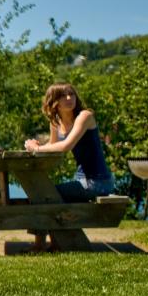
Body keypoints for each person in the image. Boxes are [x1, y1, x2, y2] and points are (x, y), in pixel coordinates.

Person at [23, 82, 114, 251]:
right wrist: (38, 145)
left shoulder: (85, 116)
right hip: (81, 180)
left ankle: (41, 244)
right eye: (63, 95)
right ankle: (53, 242)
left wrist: (37, 149)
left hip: (98, 181)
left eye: (71, 94)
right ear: (54, 102)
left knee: (44, 194)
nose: (69, 98)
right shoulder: (56, 123)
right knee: (44, 194)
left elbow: (66, 147)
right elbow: (53, 147)